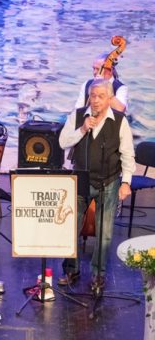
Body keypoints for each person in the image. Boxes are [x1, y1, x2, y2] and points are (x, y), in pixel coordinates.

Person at [59, 78, 135, 290]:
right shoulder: (77, 116)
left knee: (105, 233)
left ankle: (98, 275)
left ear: (110, 98)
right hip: (81, 179)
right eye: (93, 96)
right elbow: (63, 142)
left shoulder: (119, 121)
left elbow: (127, 154)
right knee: (71, 226)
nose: (96, 100)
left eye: (101, 96)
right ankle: (71, 269)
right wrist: (82, 129)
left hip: (108, 181)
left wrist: (126, 182)